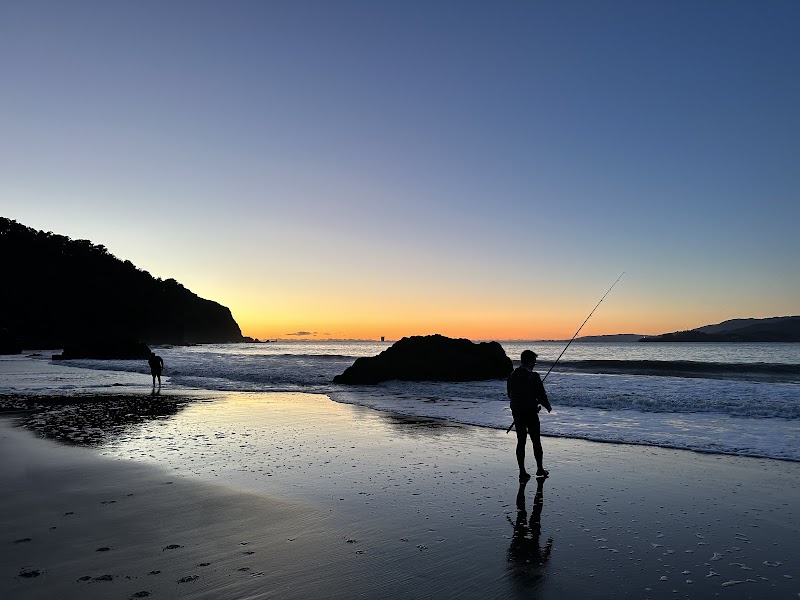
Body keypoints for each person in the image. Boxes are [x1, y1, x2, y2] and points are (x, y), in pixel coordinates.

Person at [507, 350, 551, 482]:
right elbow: (541, 395)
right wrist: (547, 406)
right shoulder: (534, 376)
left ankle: (522, 471)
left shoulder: (512, 375)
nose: (535, 364)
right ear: (531, 361)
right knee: (536, 441)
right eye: (534, 361)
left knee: (521, 441)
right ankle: (540, 469)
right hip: (530, 412)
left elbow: (510, 394)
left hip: (517, 411)